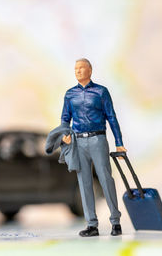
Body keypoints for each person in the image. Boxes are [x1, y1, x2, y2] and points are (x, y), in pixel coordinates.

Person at [61, 58, 127, 237]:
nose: (78, 71)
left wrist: (119, 143)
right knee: (84, 182)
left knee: (106, 178)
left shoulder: (101, 92)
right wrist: (65, 134)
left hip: (98, 139)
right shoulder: (70, 94)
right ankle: (91, 224)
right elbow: (65, 118)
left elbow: (111, 117)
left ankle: (115, 221)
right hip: (78, 142)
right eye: (76, 68)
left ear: (90, 70)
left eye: (82, 68)